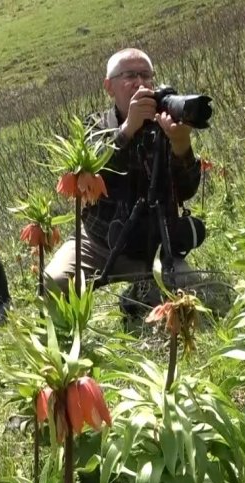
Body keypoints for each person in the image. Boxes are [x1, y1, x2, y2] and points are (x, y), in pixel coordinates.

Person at [44, 48, 204, 316]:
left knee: (190, 297)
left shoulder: (166, 123)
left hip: (153, 246)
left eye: (145, 75)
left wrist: (180, 144)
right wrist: (127, 129)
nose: (140, 83)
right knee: (53, 283)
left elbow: (187, 190)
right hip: (98, 241)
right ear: (109, 87)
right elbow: (95, 170)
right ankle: (68, 335)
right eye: (129, 75)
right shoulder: (96, 125)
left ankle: (136, 297)